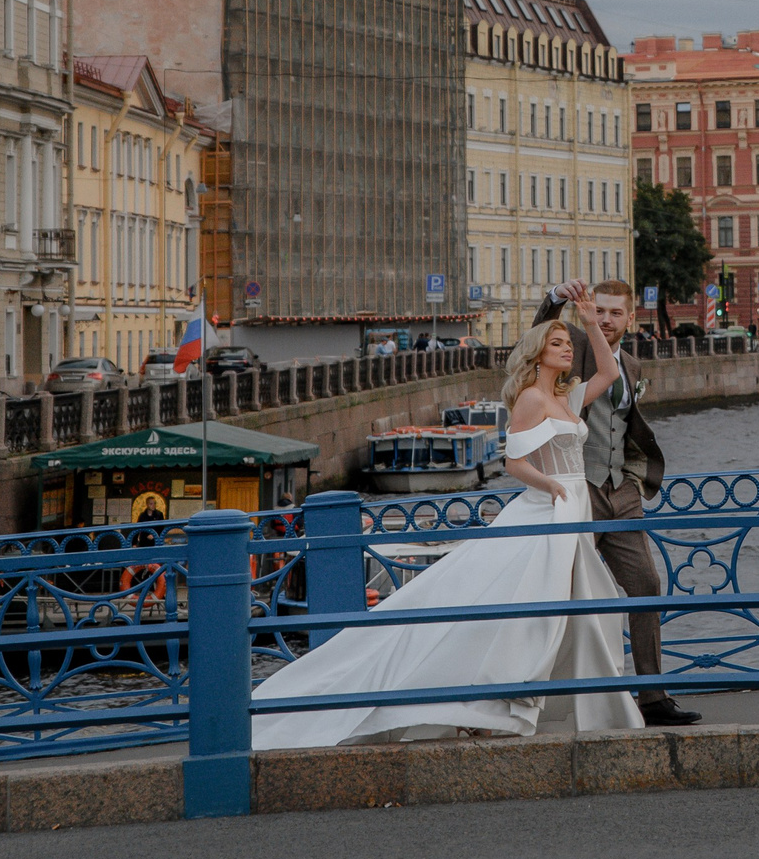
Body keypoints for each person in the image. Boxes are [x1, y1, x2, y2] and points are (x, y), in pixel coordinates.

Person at [250, 287, 645, 746]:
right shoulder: (531, 402)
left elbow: (610, 370)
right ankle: (497, 701)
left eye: (567, 343)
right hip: (553, 510)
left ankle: (569, 702)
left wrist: (590, 320)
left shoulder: (569, 396)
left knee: (588, 608)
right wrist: (551, 485)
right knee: (528, 613)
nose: (566, 349)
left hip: (575, 511)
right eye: (557, 343)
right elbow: (515, 464)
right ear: (538, 355)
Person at [537, 278, 700, 728]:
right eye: (600, 311)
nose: (606, 320)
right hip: (578, 490)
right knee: (561, 593)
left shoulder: (630, 362)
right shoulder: (573, 345)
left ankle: (652, 697)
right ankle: (541, 695)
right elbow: (537, 335)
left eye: (615, 313)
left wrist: (630, 481)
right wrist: (555, 300)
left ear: (631, 318)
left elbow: (625, 426)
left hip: (620, 494)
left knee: (646, 584)